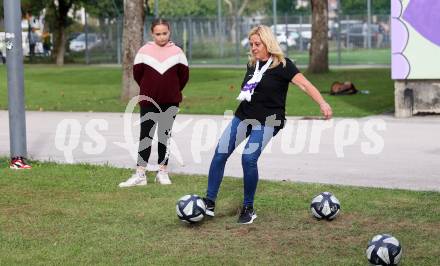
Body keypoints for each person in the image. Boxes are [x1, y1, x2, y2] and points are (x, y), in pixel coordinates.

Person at [202, 25, 332, 224]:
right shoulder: (251, 64)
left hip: (269, 120)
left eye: (257, 44)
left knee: (248, 158)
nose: (253, 47)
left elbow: (305, 85)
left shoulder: (283, 65)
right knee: (220, 153)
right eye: (251, 44)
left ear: (268, 43)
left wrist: (322, 103)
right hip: (244, 115)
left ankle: (248, 207)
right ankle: (208, 203)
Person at [119, 18, 189, 187]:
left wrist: (172, 90)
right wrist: (149, 88)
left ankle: (162, 171)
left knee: (164, 136)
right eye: (158, 34)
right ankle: (140, 174)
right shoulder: (144, 51)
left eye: (164, 33)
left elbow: (184, 76)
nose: (161, 37)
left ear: (169, 32)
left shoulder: (178, 52)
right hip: (148, 101)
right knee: (146, 136)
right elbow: (138, 74)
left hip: (170, 101)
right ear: (152, 34)